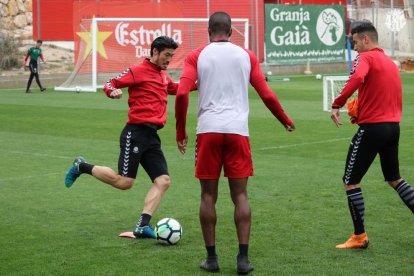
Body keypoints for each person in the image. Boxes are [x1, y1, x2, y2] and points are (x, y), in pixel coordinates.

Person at [175, 12, 295, 274]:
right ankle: (243, 260)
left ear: (208, 31)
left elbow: (182, 92)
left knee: (208, 196)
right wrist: (284, 119)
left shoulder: (197, 55)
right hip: (238, 132)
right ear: (231, 32)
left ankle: (212, 259)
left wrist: (180, 131)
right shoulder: (246, 55)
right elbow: (266, 94)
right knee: (240, 195)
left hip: (208, 132)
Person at [65, 36, 183, 239]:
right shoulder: (137, 71)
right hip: (135, 134)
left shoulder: (163, 77)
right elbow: (110, 83)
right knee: (124, 182)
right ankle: (81, 166)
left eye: (172, 56)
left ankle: (142, 226)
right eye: (166, 55)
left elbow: (178, 88)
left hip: (152, 137)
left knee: (163, 180)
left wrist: (203, 83)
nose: (169, 60)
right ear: (154, 52)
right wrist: (112, 92)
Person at [331, 21, 414, 249]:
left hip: (372, 129)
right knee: (394, 179)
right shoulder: (390, 62)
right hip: (392, 128)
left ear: (366, 39)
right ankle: (359, 236)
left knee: (350, 181)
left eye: (356, 42)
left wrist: (337, 104)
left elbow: (357, 78)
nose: (355, 48)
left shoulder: (365, 58)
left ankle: (359, 237)